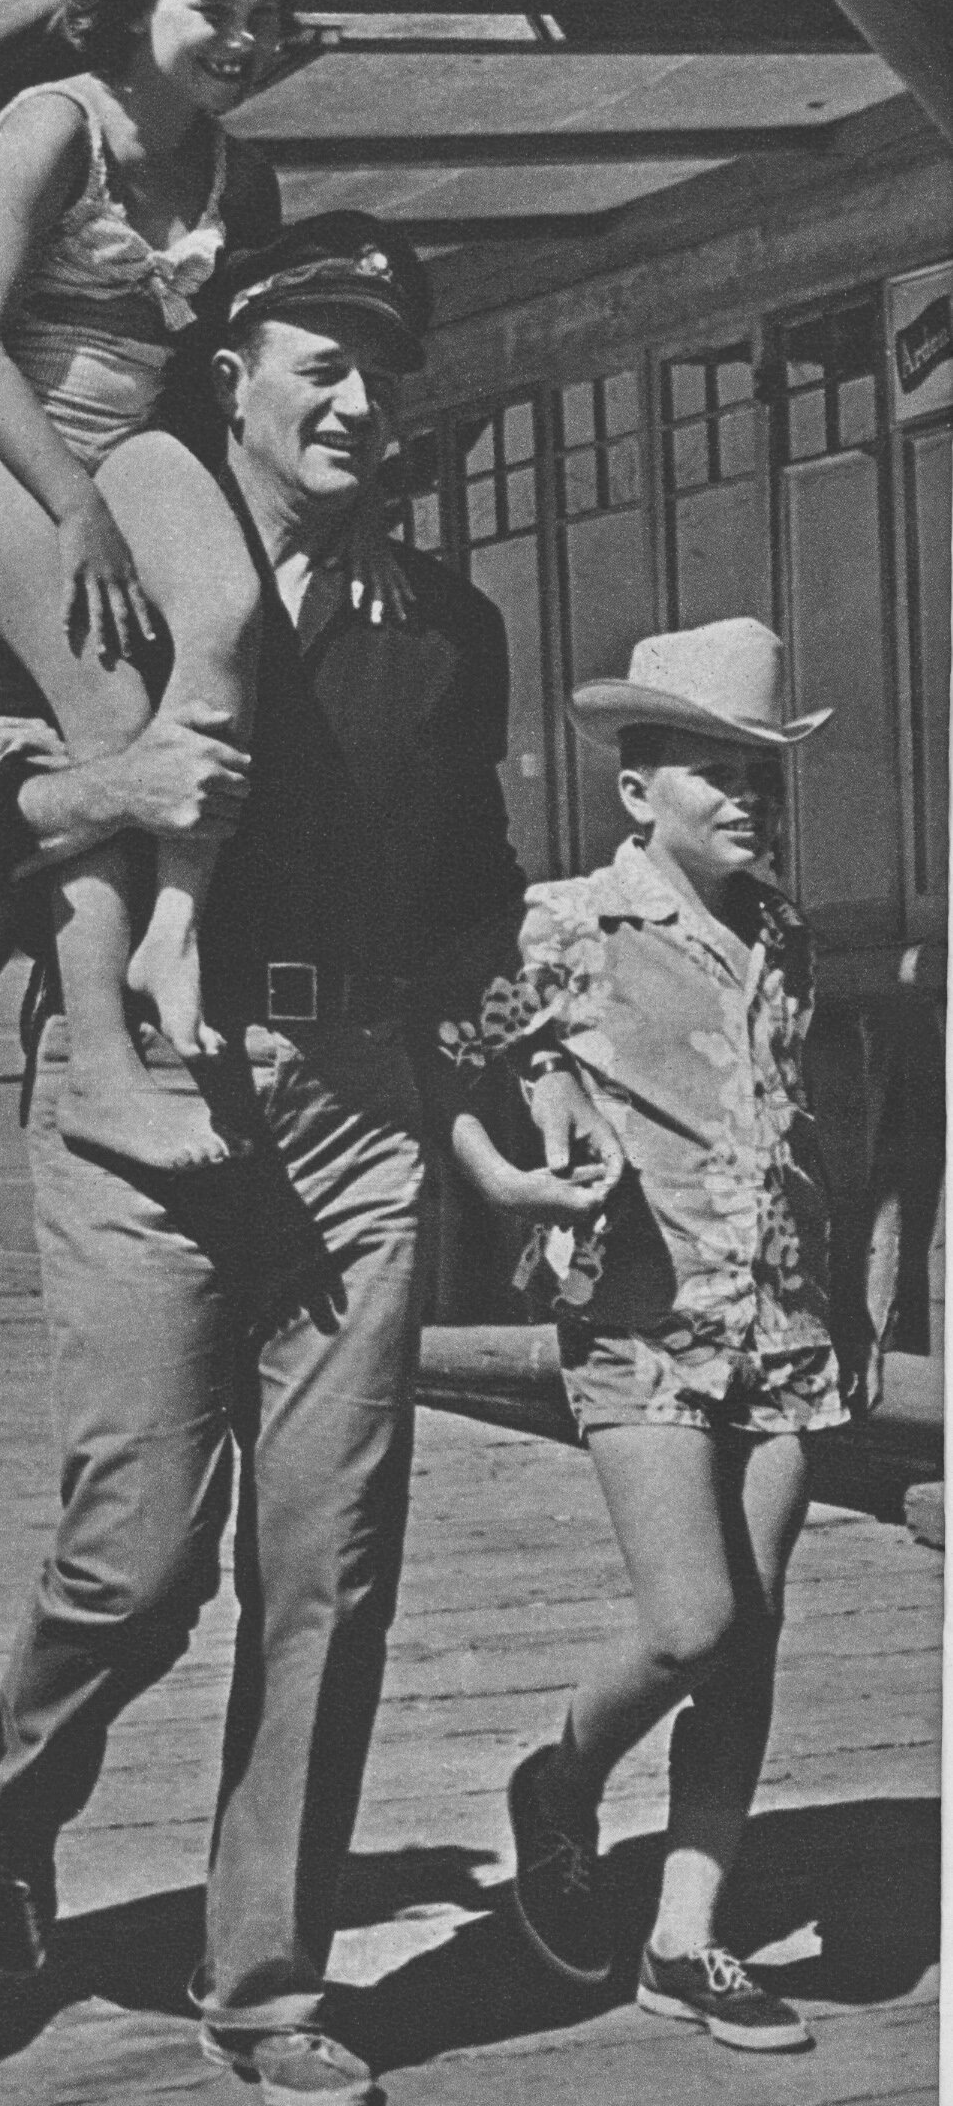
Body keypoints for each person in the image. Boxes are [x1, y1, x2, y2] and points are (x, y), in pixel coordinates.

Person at [0, 215, 620, 2105]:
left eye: (387, 370)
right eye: (318, 361)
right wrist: (116, 789)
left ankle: (264, 1979)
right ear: (234, 377)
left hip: (361, 1103)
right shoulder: (103, 566)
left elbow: (466, 910)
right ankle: (15, 1793)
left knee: (330, 1565)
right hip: (144, 1093)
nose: (357, 403)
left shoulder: (446, 629)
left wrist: (519, 1091)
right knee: (139, 1561)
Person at [0, 0, 304, 1174]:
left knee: (227, 613)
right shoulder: (50, 127)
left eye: (265, 14)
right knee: (107, 715)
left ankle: (172, 930)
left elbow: (207, 381)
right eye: (215, 7)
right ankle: (102, 1069)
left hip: (129, 425)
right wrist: (74, 510)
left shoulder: (242, 180)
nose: (242, 40)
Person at [484, 618, 847, 2054]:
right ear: (637, 790)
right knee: (689, 1623)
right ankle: (556, 1784)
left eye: (759, 771)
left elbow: (813, 1122)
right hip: (639, 1322)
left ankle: (684, 1939)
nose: (744, 797)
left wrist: (855, 1297)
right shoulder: (564, 922)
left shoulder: (785, 932)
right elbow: (472, 1049)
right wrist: (534, 1132)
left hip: (782, 1323)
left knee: (747, 1643)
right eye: (710, 770)